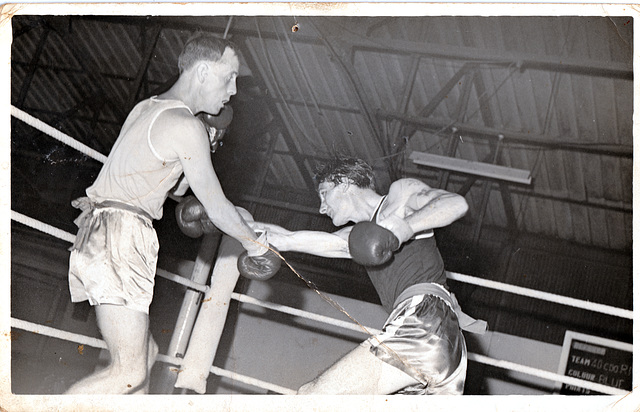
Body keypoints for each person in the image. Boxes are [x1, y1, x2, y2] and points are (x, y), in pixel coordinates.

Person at [65, 33, 273, 394]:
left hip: (103, 230)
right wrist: (256, 245)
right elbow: (217, 206)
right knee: (127, 373)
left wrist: (200, 151)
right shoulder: (185, 125)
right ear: (204, 71)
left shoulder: (148, 107)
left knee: (146, 356)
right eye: (230, 77)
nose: (234, 90)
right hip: (122, 236)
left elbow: (169, 189)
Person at [251, 156, 486, 395]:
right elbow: (289, 238)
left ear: (343, 183)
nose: (321, 207)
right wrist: (236, 223)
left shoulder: (400, 196)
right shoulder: (357, 239)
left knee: (313, 397)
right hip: (443, 348)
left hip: (424, 320)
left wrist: (403, 228)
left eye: (323, 194)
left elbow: (455, 204)